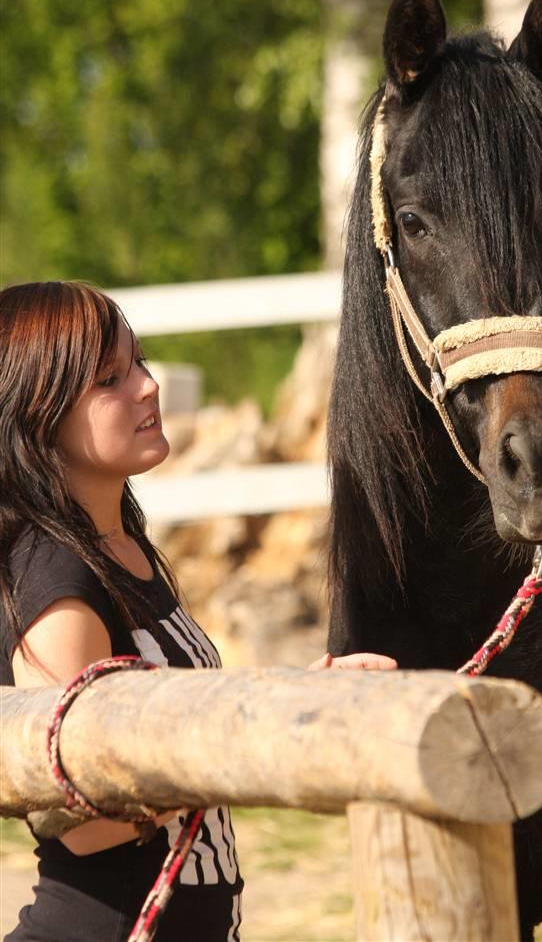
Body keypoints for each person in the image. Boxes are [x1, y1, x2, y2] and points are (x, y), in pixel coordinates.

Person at [0, 281, 396, 942]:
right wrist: (267, 736)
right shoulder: (56, 581)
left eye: (140, 362)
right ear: (37, 416)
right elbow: (90, 824)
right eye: (109, 380)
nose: (148, 387)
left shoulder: (121, 546)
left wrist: (299, 696)